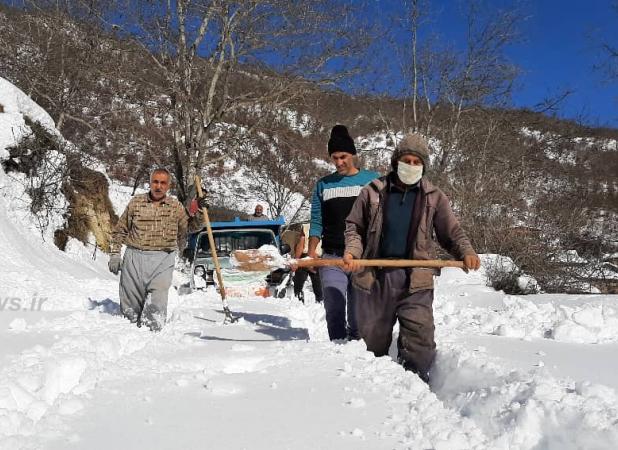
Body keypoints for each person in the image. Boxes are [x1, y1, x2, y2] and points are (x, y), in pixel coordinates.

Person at [343, 133, 481, 382]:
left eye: (417, 162)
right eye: (407, 160)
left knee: (420, 336)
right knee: (372, 340)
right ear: (396, 161)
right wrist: (352, 251)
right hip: (375, 277)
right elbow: (355, 227)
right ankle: (373, 386)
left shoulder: (434, 197)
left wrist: (466, 252)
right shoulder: (373, 192)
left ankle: (414, 383)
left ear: (424, 166)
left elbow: (452, 232)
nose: (412, 166)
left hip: (416, 278)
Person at [108, 168, 204, 331]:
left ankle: (152, 341)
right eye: (155, 181)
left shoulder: (175, 206)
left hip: (163, 258)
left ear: (168, 186)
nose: (158, 186)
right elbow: (120, 230)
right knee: (130, 310)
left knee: (157, 305)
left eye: (163, 183)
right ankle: (129, 339)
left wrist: (199, 211)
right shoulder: (136, 202)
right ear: (150, 182)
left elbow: (190, 227)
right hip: (134, 258)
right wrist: (115, 254)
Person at [308, 124, 379, 341]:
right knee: (334, 307)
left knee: (358, 316)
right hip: (332, 257)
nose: (339, 162)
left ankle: (357, 355)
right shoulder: (323, 185)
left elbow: (384, 218)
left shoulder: (373, 181)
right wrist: (311, 252)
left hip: (362, 258)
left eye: (343, 156)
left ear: (354, 155)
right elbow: (317, 221)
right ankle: (337, 352)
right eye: (334, 157)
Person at [292, 223, 323, 303]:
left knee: (299, 281)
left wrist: (296, 260)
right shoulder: (327, 226)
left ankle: (298, 299)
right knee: (318, 283)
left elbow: (301, 245)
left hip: (305, 257)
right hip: (318, 257)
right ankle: (320, 301)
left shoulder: (306, 227)